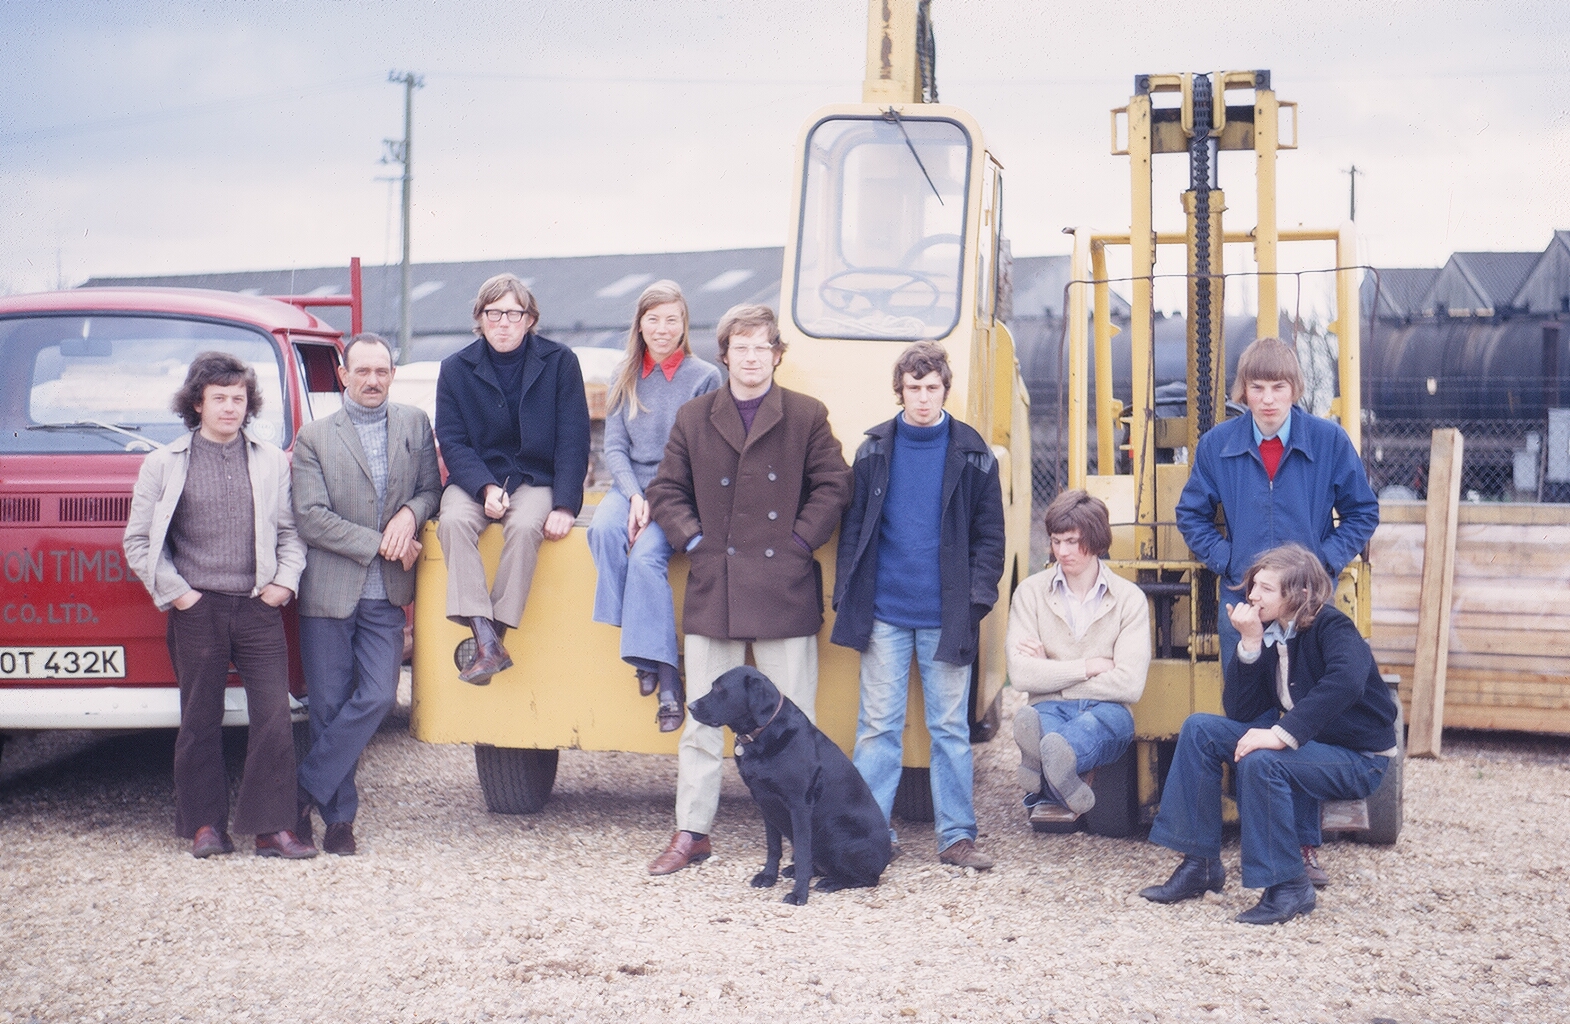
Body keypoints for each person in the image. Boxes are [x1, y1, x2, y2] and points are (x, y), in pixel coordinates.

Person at [643, 304, 852, 874]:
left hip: (783, 585)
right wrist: (697, 543)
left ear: (777, 354)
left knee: (797, 726)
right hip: (719, 586)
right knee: (703, 722)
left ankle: (813, 839)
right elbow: (666, 492)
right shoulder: (694, 416)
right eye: (742, 347)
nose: (752, 357)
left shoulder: (807, 415)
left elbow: (834, 485)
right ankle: (692, 834)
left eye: (763, 347)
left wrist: (799, 543)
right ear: (725, 354)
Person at [1175, 336, 1379, 885]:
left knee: (1306, 715)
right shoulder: (1218, 445)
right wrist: (1228, 563)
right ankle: (1254, 840)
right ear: (1243, 391)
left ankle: (1304, 846)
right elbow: (1191, 513)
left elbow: (1361, 512)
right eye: (1258, 388)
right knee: (1246, 714)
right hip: (1245, 602)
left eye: (1279, 387)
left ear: (1295, 390)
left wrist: (1322, 565)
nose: (1267, 399)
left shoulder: (1328, 441)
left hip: (1305, 608)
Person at [1138, 543, 1398, 924]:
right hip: (1310, 745)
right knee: (1200, 730)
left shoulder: (1332, 625)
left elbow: (1346, 682)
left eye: (1265, 588)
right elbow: (1241, 710)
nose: (1253, 595)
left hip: (1358, 758)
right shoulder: (1272, 633)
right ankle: (1200, 865)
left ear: (1301, 594)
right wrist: (1250, 644)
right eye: (1253, 586)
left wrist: (1281, 733)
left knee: (1264, 759)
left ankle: (1290, 885)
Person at [123, 351, 314, 859]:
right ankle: (205, 826)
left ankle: (272, 829)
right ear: (197, 403)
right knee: (199, 718)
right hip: (196, 609)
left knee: (273, 716)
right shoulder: (162, 465)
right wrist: (180, 593)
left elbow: (292, 535)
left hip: (257, 606)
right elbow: (139, 542)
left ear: (248, 404)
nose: (230, 407)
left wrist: (283, 584)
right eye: (219, 398)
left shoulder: (271, 460)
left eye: (239, 398)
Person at [831, 341, 1004, 870]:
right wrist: (847, 594)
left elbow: (989, 538)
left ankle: (956, 836)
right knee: (877, 726)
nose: (923, 398)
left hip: (946, 614)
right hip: (883, 611)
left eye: (932, 388)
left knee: (949, 729)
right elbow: (855, 528)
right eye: (914, 388)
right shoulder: (874, 450)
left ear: (945, 390)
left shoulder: (975, 454)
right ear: (900, 391)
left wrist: (975, 603)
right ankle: (869, 831)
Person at [291, 333, 442, 855]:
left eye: (382, 371)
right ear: (343, 375)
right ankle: (339, 821)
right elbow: (310, 517)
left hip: (386, 596)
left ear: (392, 375)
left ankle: (302, 788)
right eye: (363, 372)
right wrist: (381, 541)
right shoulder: (313, 437)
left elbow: (430, 491)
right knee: (329, 704)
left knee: (378, 695)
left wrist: (410, 514)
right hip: (329, 592)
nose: (373, 380)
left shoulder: (414, 424)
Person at [434, 274, 591, 684]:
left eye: (513, 314)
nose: (503, 323)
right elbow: (452, 441)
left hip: (535, 477)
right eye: (494, 313)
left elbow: (574, 438)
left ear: (529, 319)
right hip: (476, 477)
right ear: (480, 319)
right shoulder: (454, 369)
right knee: (451, 522)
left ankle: (491, 640)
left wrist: (564, 504)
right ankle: (487, 640)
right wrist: (484, 488)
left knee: (524, 527)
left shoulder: (560, 363)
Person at [587, 281, 721, 731]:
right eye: (653, 319)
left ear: (684, 324)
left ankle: (665, 678)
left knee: (645, 558)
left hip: (678, 489)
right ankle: (643, 645)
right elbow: (615, 448)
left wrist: (654, 500)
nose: (662, 329)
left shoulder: (704, 376)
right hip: (629, 487)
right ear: (639, 324)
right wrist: (634, 497)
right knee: (602, 532)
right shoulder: (624, 373)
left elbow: (696, 454)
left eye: (672, 319)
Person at [1006, 489, 1150, 823]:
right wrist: (1089, 667)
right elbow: (1021, 675)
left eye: (1072, 541)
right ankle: (1059, 774)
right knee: (1049, 727)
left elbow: (1130, 685)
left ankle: (1043, 765)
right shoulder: (1030, 593)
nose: (1062, 552)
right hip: (1050, 707)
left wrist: (1052, 673)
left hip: (1107, 711)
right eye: (1057, 541)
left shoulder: (1129, 599)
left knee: (1076, 732)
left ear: (1097, 539)